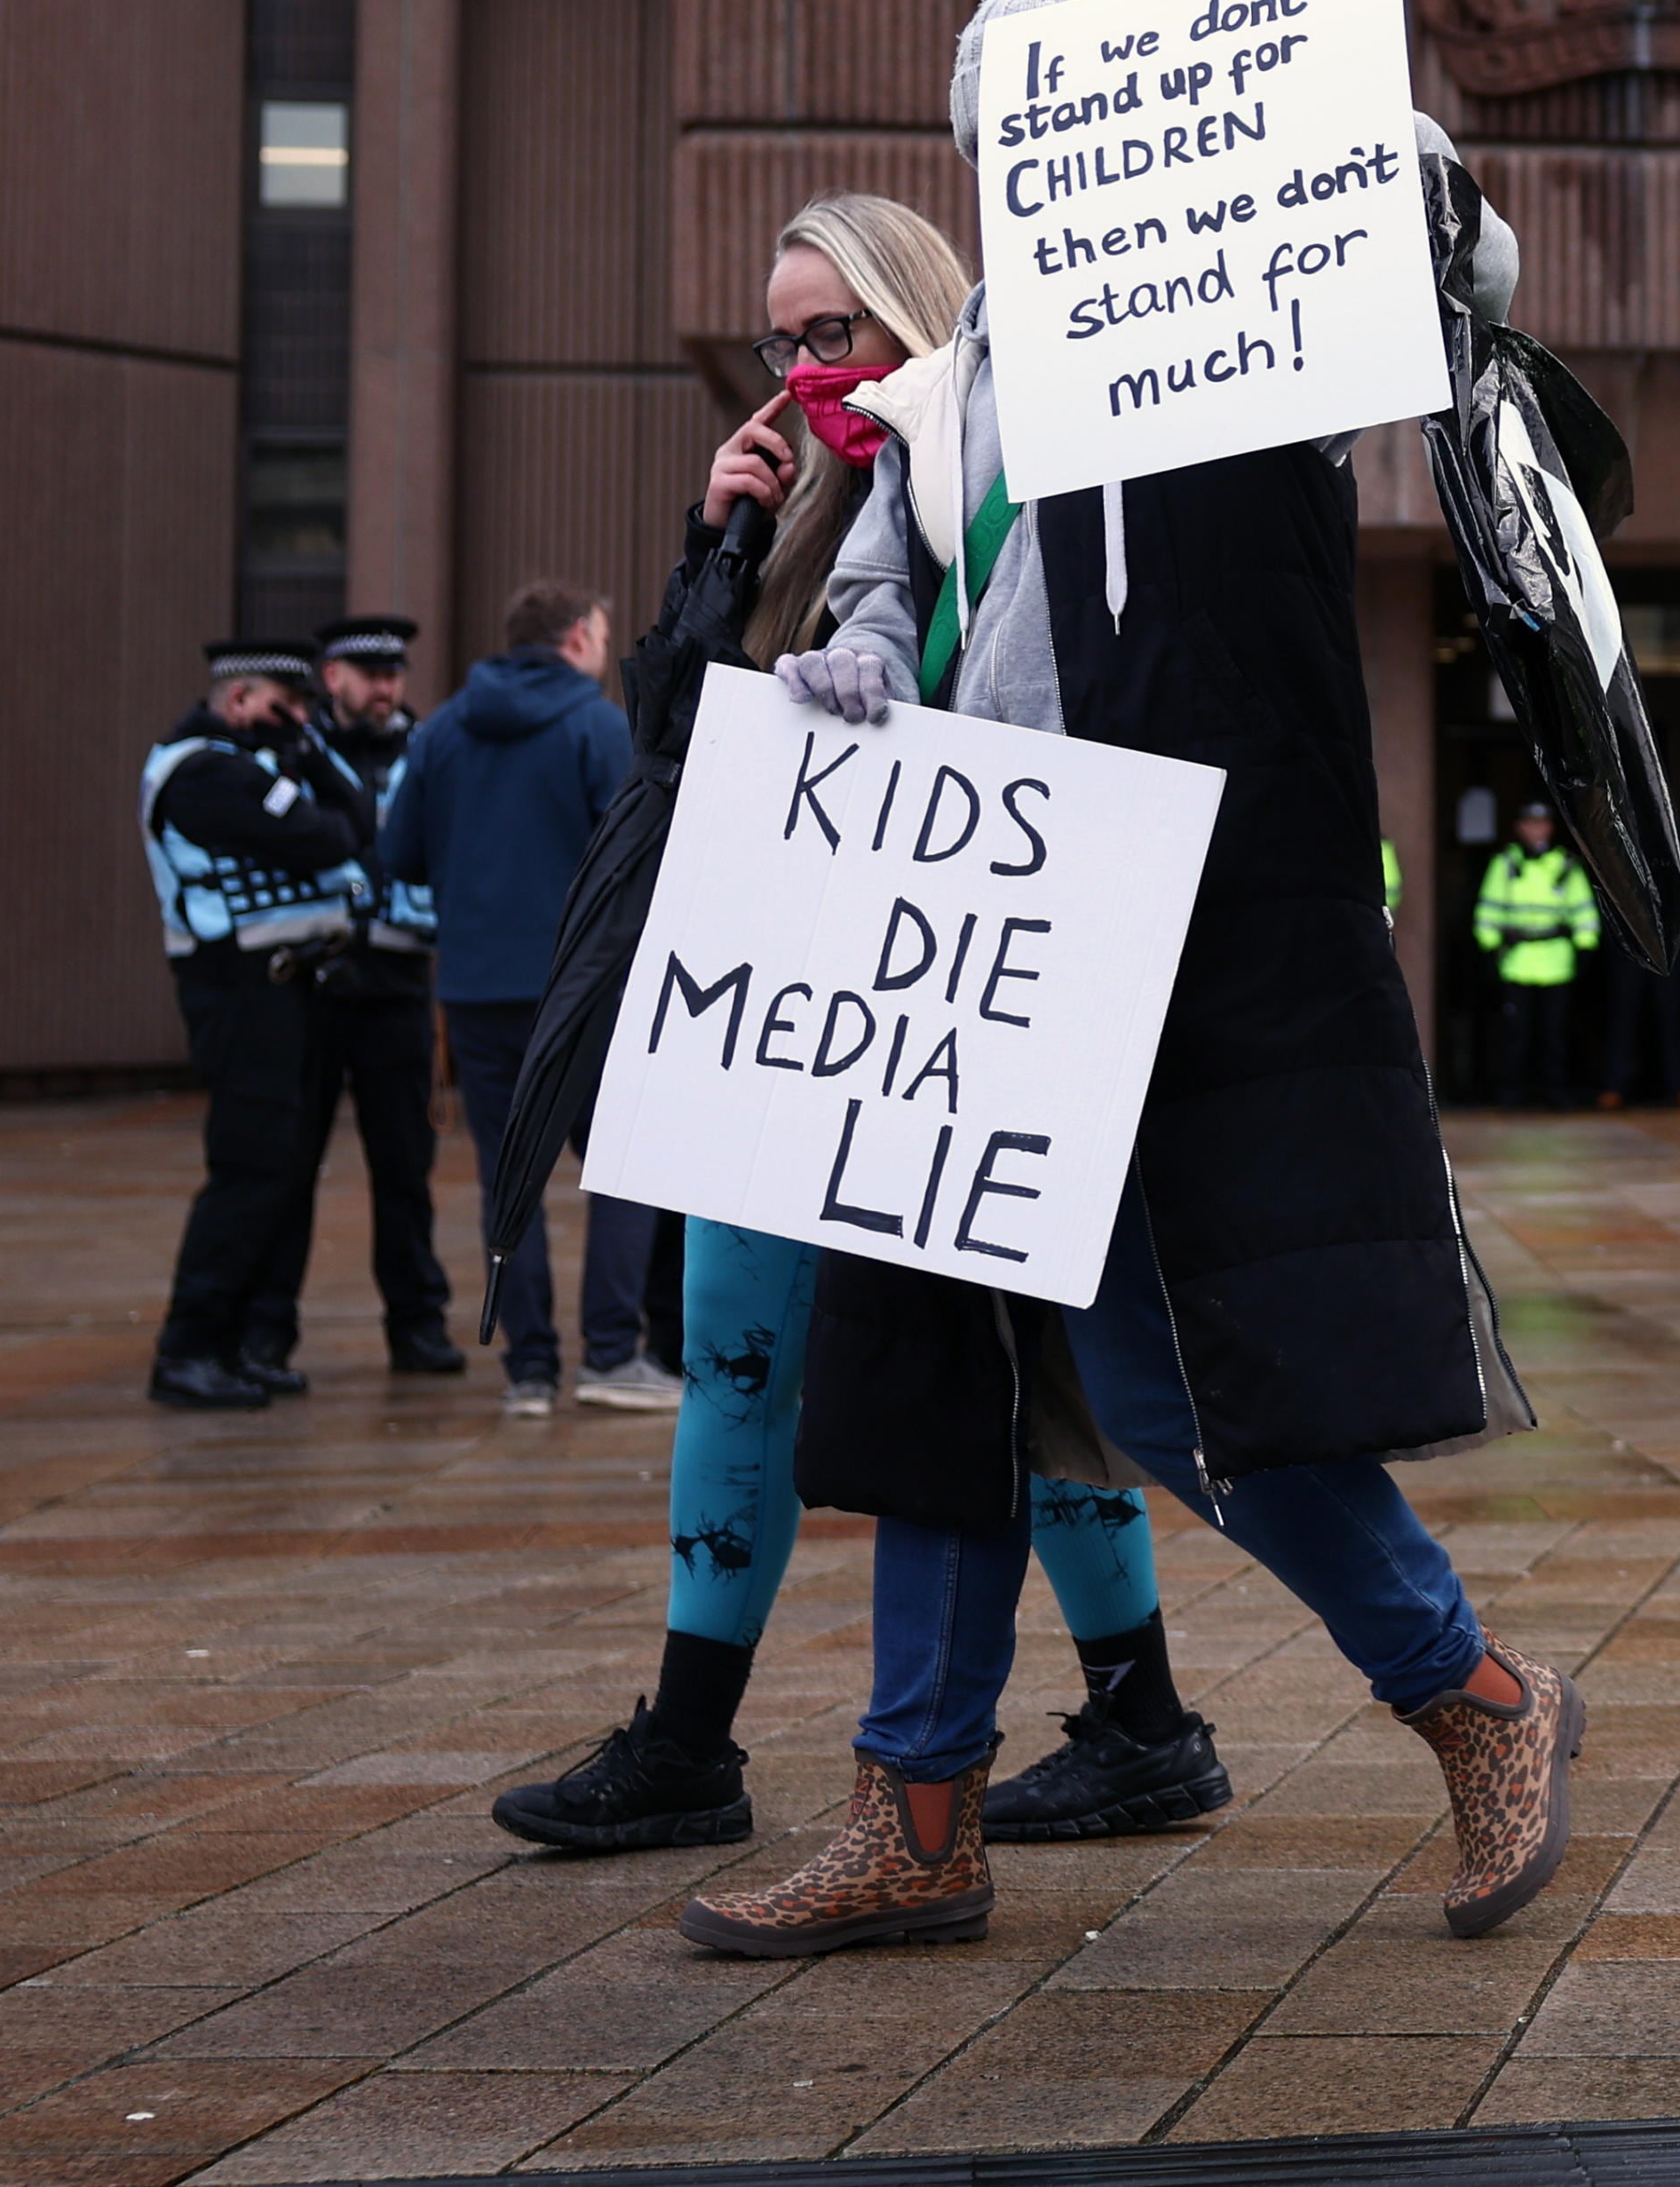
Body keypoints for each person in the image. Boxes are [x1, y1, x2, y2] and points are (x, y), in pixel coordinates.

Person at [671, 0, 1577, 1961]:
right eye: (1009, 127)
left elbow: (1465, 275)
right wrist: (855, 660)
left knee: (1174, 1387)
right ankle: (919, 1812)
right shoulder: (940, 397)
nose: (1037, 162)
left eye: (1058, 117)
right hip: (965, 926)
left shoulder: (1242, 328)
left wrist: (1318, 98)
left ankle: (1478, 1691)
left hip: (1182, 931)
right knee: (933, 1389)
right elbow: (905, 592)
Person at [490, 190, 1208, 1860]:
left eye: (837, 335)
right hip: (798, 1018)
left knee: (1023, 1384)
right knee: (735, 1357)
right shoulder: (797, 513)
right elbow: (669, 752)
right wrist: (723, 544)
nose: (805, 368)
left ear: (920, 329)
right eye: (780, 339)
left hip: (955, 1022)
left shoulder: (985, 493)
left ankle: (1144, 1713)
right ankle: (688, 1739)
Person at [376, 581, 660, 1417]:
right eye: (602, 635)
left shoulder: (441, 732)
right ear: (576, 638)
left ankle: (528, 1370)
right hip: (582, 989)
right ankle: (612, 1353)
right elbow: (635, 849)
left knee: (508, 1178)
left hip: (474, 991)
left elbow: (400, 856)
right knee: (622, 1163)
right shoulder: (598, 726)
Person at [138, 640, 374, 1410]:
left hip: (285, 994)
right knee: (247, 1171)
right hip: (236, 994)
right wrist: (304, 771)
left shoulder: (265, 763)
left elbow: (355, 819)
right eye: (286, 704)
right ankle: (189, 1347)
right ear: (240, 701)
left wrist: (304, 755)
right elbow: (323, 836)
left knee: (279, 1172)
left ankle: (237, 1343)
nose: (301, 720)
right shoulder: (199, 773)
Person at [246, 617, 459, 1379]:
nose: (387, 688)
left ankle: (417, 1324)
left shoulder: (429, 749)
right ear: (332, 676)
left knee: (404, 1167)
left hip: (399, 985)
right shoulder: (294, 754)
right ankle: (267, 1328)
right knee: (290, 1165)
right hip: (314, 983)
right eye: (370, 673)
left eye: (395, 672)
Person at [1471, 802, 1597, 1107]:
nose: (1536, 829)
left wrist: (1586, 946)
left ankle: (1555, 1093)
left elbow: (1584, 912)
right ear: (1519, 827)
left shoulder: (1566, 864)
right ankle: (1512, 1094)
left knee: (1555, 1035)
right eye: (1529, 823)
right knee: (1516, 1035)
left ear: (1550, 828)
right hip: (1517, 961)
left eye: (1541, 823)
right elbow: (1488, 910)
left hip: (1556, 962)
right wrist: (1488, 946)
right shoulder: (1505, 863)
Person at [1601, 823, 1680, 1107]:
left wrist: (1678, 920)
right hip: (1630, 944)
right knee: (1622, 1016)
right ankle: (1616, 1086)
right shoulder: (1617, 835)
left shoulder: (1676, 835)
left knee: (1672, 1015)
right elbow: (1601, 885)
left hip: (1667, 946)